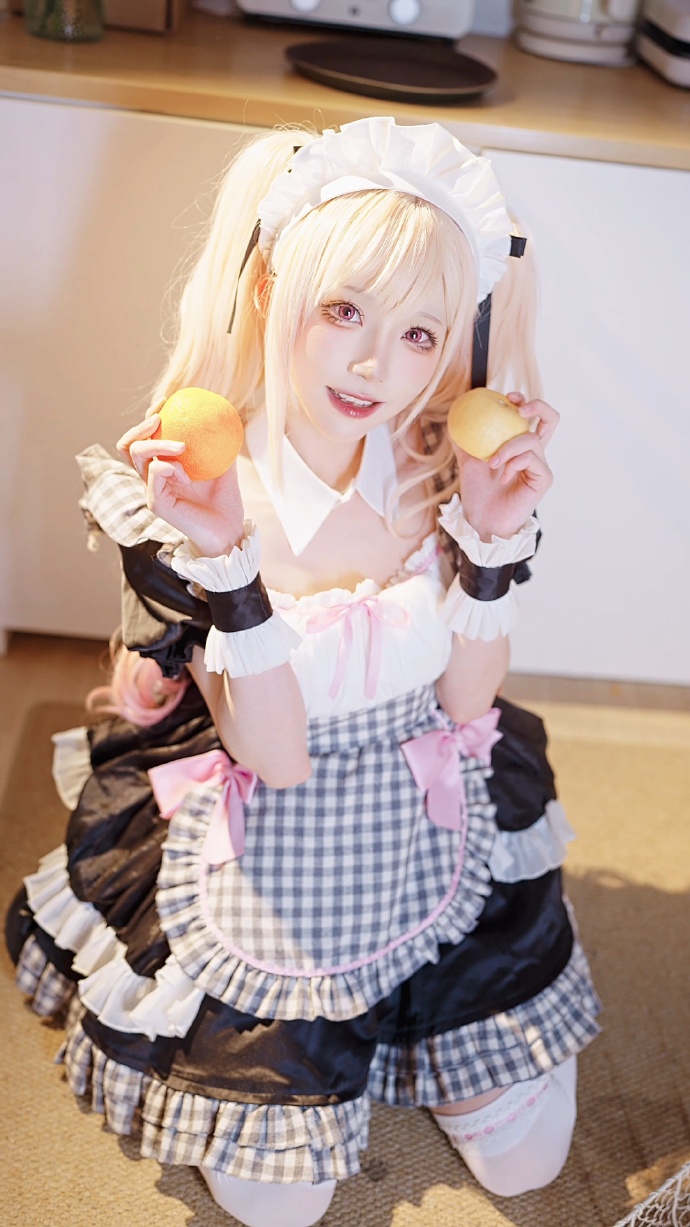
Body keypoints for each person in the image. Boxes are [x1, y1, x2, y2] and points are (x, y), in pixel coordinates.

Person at [6, 117, 600, 1227]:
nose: (378, 368)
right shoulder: (204, 495)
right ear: (273, 285)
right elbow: (276, 760)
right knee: (282, 1202)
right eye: (344, 312)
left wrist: (486, 537)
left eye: (420, 333)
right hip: (268, 816)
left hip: (423, 796)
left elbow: (465, 705)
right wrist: (231, 566)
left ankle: (436, 1024)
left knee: (529, 1164)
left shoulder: (440, 467)